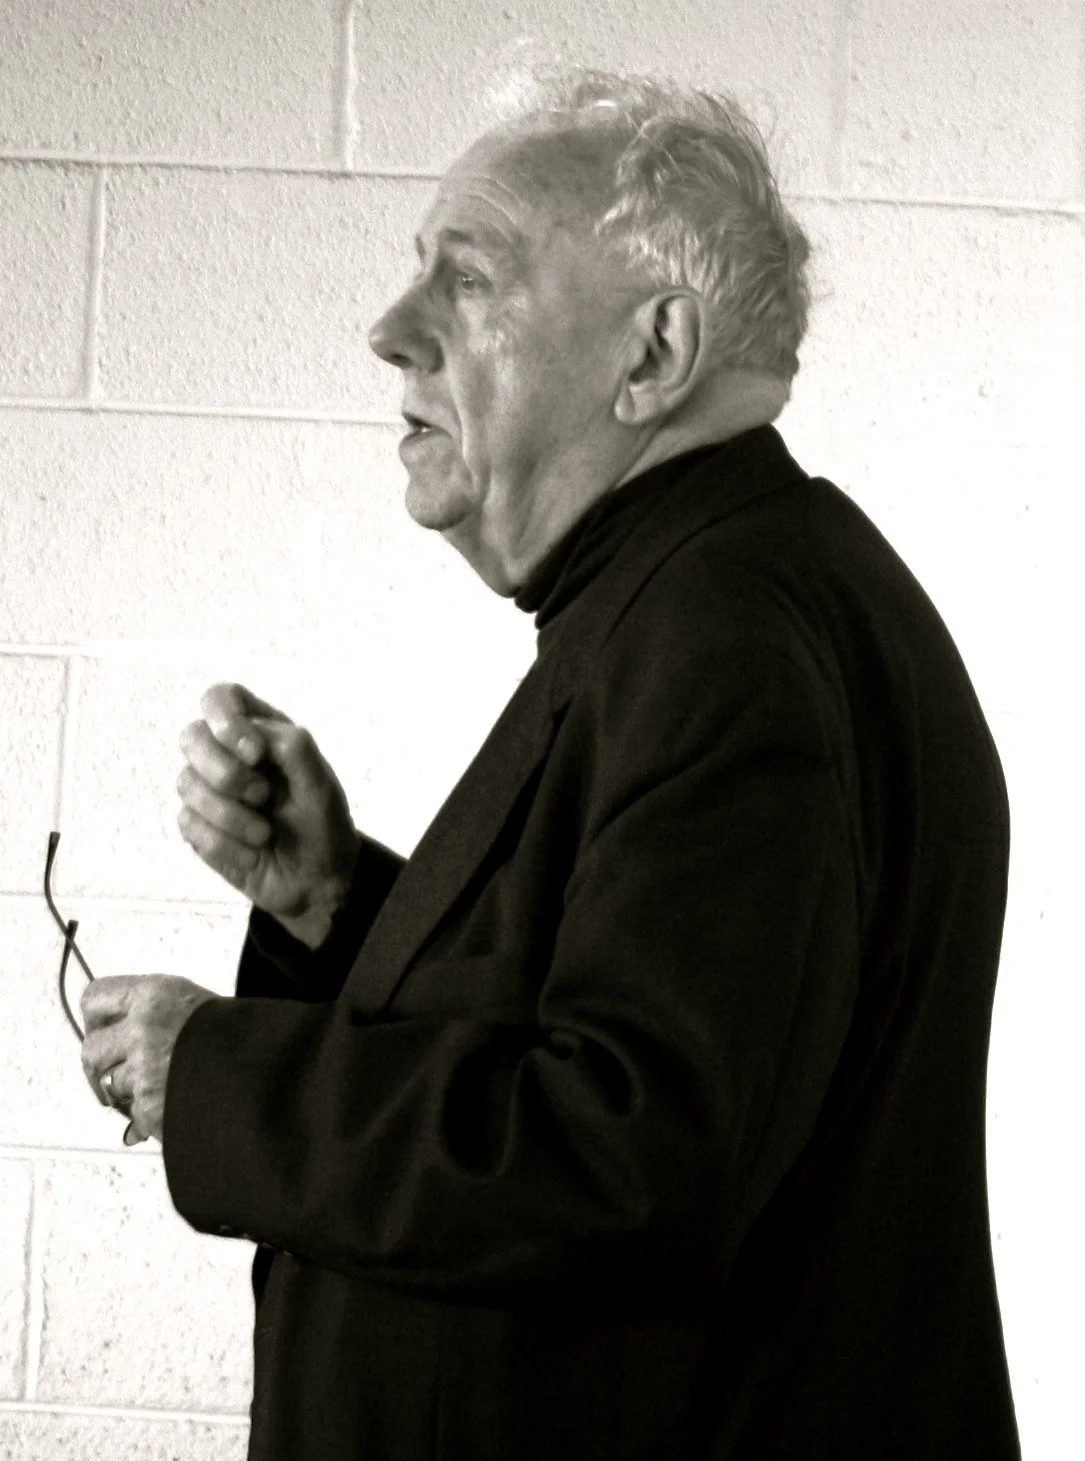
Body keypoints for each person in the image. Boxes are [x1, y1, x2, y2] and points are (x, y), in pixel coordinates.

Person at [80, 70, 1020, 1460]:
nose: (391, 332)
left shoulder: (724, 640)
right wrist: (336, 909)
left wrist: (220, 1077)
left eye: (470, 281)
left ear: (652, 356)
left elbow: (633, 1159)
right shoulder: (715, 598)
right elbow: (608, 1043)